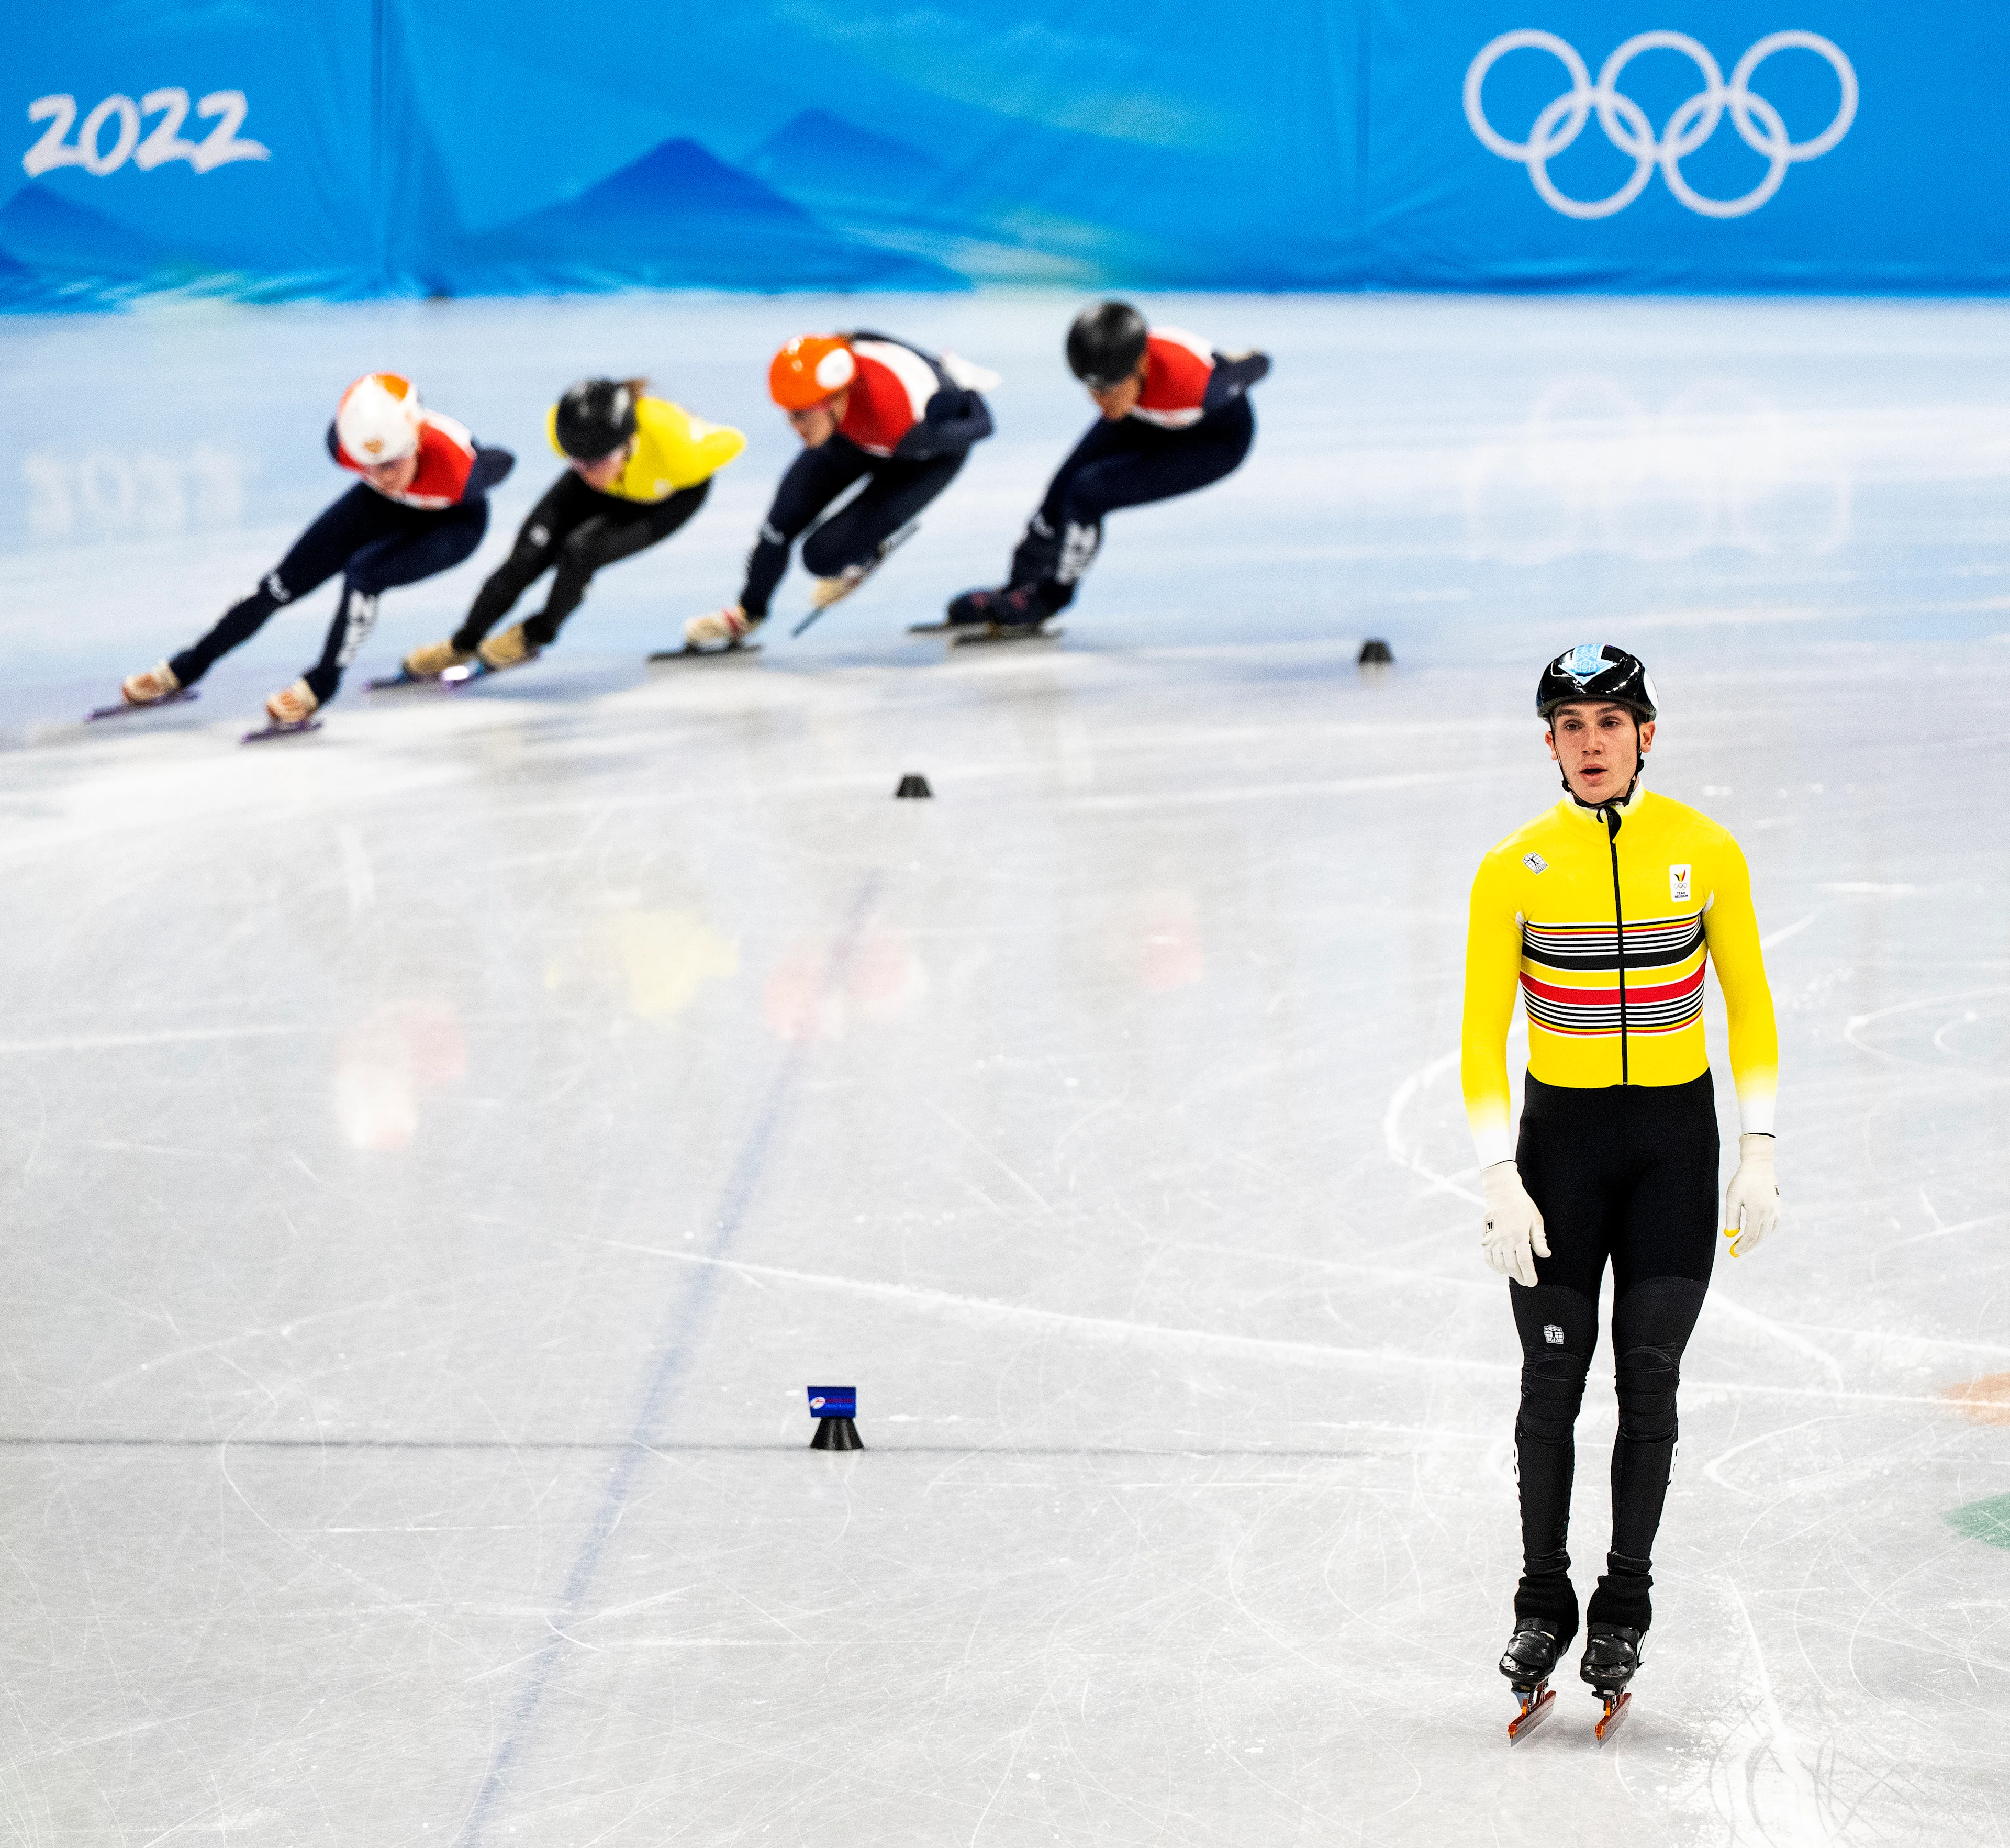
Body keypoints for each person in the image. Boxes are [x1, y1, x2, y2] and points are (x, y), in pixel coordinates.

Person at [1460, 643, 1780, 1718]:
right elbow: (1477, 1036)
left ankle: (1624, 1605)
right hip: (1562, 1158)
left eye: (1609, 722)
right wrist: (1501, 1174)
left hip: (1673, 1158)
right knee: (1550, 1387)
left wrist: (1762, 1146)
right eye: (1569, 725)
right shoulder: (1512, 867)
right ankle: (1541, 1598)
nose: (1590, 743)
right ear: (1548, 744)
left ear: (1648, 732)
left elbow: (1752, 1007)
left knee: (1649, 1384)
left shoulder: (1706, 849)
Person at [118, 374, 513, 727]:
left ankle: (320, 685)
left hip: (453, 524)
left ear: (416, 443)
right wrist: (384, 474)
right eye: (366, 466)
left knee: (364, 574)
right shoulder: (346, 444)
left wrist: (482, 471)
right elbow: (375, 470)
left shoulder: (458, 465)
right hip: (382, 509)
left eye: (390, 465)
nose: (379, 476)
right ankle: (185, 668)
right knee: (278, 587)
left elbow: (503, 460)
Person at [943, 301, 1268, 631]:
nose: (1098, 401)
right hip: (1144, 417)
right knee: (1059, 493)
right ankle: (1017, 588)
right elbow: (1114, 397)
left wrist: (1241, 361)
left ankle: (1050, 597)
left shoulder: (1194, 380)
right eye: (1091, 388)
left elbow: (1256, 364)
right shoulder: (1119, 375)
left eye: (1108, 389)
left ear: (1141, 365)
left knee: (1089, 492)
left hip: (1213, 441)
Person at [400, 378, 745, 679]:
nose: (586, 470)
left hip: (668, 494)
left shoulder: (680, 450)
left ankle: (534, 635)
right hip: (619, 479)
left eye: (594, 462)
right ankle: (461, 645)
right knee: (525, 558)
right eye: (575, 461)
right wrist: (590, 466)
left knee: (582, 552)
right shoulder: (565, 431)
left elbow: (734, 439)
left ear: (627, 443)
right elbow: (587, 465)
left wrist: (692, 426)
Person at [683, 331, 992, 650]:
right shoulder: (833, 369)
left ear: (836, 399)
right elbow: (860, 335)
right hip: (853, 434)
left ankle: (866, 556)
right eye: (789, 414)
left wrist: (961, 383)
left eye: (801, 414)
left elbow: (984, 424)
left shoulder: (901, 413)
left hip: (921, 459)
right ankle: (749, 614)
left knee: (821, 558)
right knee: (779, 525)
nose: (795, 428)